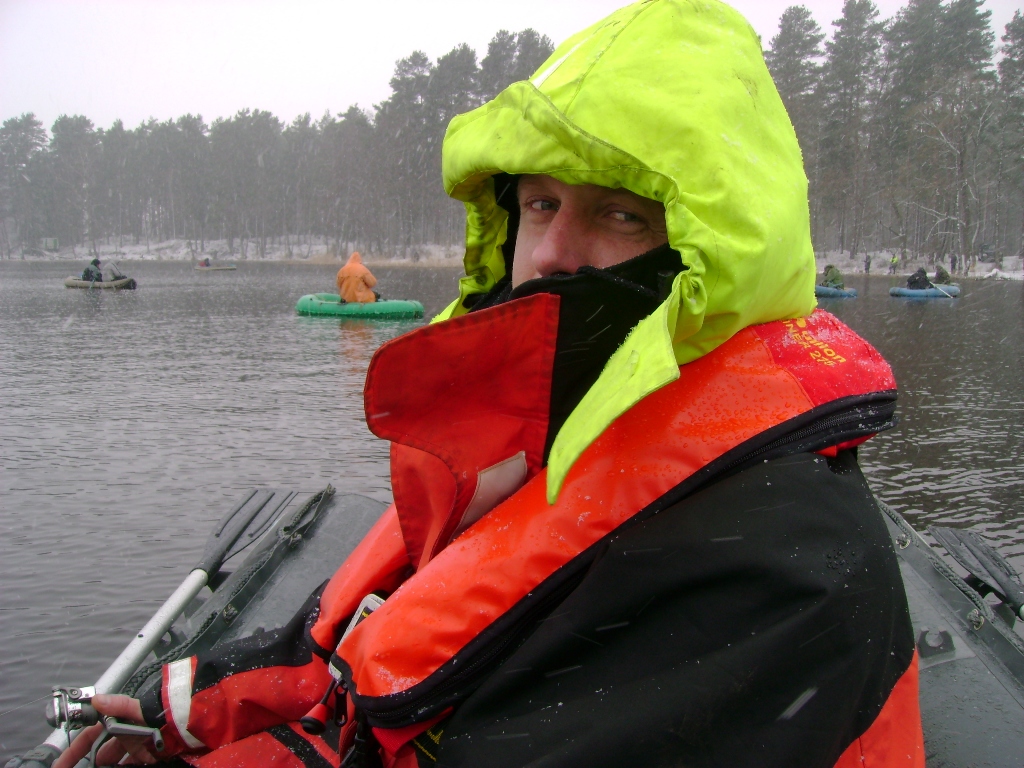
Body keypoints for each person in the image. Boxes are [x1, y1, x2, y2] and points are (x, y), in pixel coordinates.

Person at [54, 2, 922, 767]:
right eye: (539, 205)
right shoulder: (532, 441)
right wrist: (182, 714)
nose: (550, 255)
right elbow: (353, 644)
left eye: (619, 213)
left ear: (718, 258)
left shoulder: (781, 568)